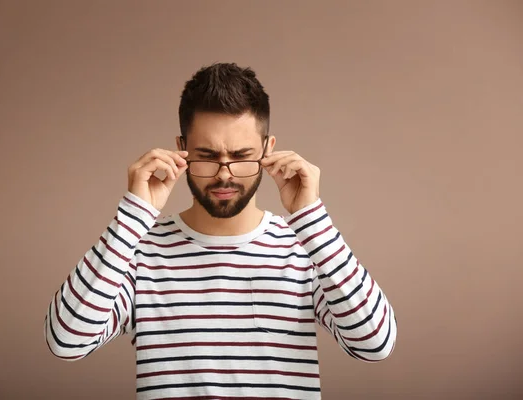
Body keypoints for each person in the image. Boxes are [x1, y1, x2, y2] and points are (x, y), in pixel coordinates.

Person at [44, 62, 397, 399]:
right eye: (208, 156)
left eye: (242, 155)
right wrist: (135, 215)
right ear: (181, 151)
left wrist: (311, 218)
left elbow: (375, 343)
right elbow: (66, 340)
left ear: (268, 150)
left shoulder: (307, 248)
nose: (225, 174)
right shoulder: (138, 253)